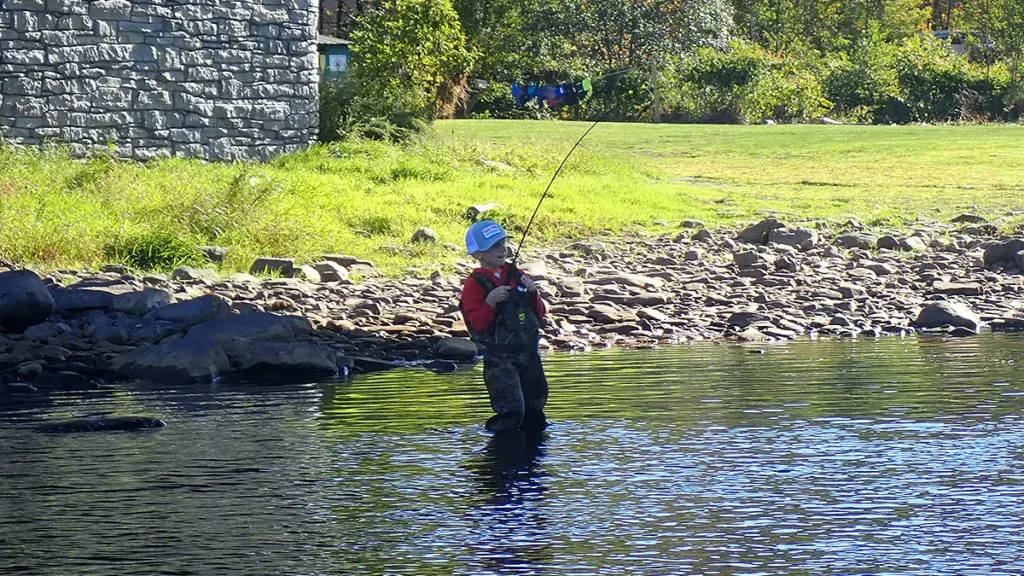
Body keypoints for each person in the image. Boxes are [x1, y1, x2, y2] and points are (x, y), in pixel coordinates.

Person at [460, 221, 549, 432]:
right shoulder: (474, 284)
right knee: (512, 410)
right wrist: (490, 301)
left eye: (502, 243)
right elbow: (478, 325)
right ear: (478, 254)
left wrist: (533, 292)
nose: (502, 249)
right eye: (493, 246)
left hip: (529, 354)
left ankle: (533, 456)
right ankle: (502, 453)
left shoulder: (516, 274)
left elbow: (540, 313)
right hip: (499, 360)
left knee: (535, 408)